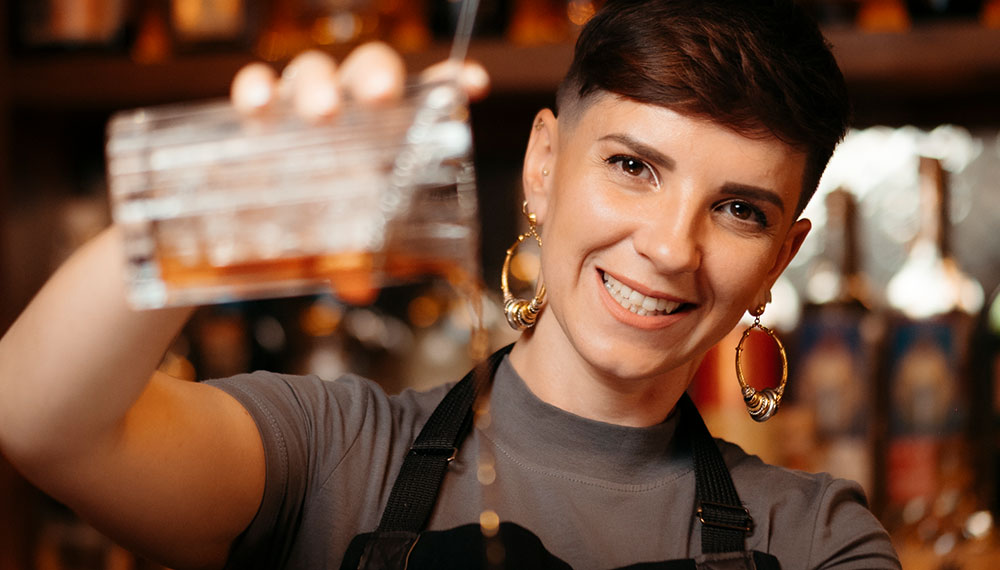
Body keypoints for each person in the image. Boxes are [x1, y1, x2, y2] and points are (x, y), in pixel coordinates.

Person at [0, 0, 901, 568]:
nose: (670, 248)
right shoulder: (333, 454)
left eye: (739, 210)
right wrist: (219, 201)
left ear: (781, 257)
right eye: (632, 165)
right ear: (543, 165)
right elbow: (37, 418)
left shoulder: (818, 540)